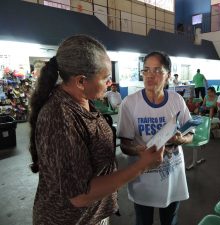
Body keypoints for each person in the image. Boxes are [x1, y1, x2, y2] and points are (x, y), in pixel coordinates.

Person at [28, 35, 164, 225]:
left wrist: (136, 150)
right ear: (81, 81)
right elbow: (80, 196)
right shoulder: (60, 118)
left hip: (93, 215)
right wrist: (142, 166)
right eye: (106, 78)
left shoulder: (84, 102)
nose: (110, 83)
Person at [117, 51, 193, 225]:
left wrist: (180, 140)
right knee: (144, 221)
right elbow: (124, 145)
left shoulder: (177, 100)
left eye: (157, 70)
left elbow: (190, 134)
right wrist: (140, 151)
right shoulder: (130, 103)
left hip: (172, 175)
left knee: (170, 220)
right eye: (146, 70)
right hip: (143, 179)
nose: (150, 75)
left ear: (167, 75)